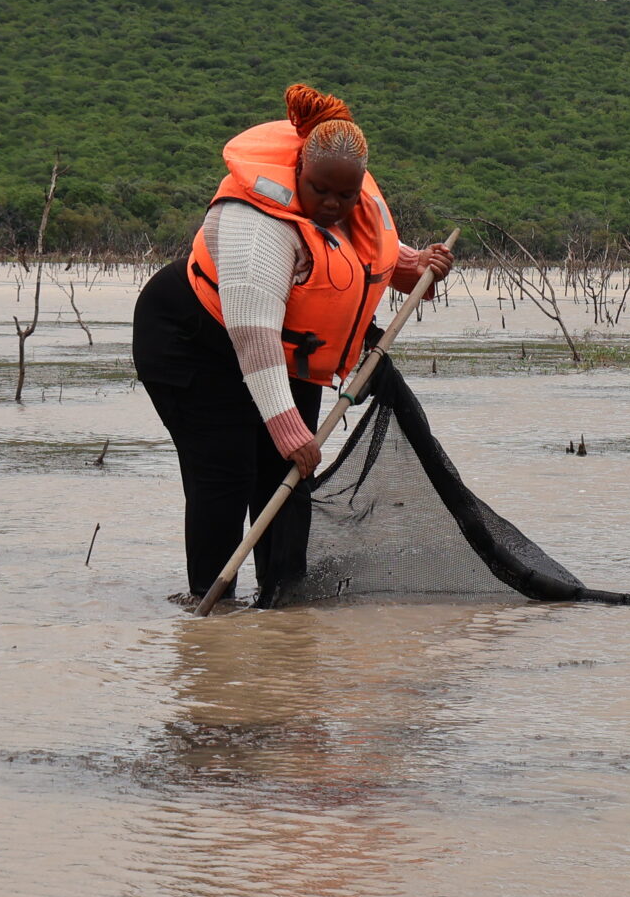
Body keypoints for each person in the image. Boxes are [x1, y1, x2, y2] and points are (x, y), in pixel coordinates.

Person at [133, 84, 454, 605]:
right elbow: (253, 335)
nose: (331, 204)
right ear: (298, 171)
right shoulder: (256, 225)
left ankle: (284, 604)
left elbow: (369, 258)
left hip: (287, 349)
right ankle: (211, 606)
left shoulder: (350, 200)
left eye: (344, 195)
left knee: (286, 477)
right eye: (320, 190)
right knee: (228, 469)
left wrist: (420, 266)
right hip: (191, 340)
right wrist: (288, 429)